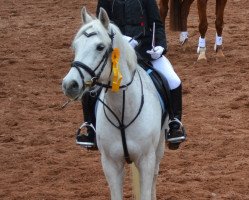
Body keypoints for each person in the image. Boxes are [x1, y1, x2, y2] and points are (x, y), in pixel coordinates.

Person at [76, 0, 186, 150]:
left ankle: (174, 124)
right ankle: (90, 127)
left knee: (174, 80)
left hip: (145, 51)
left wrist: (160, 46)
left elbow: (156, 24)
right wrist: (121, 41)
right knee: (91, 84)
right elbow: (100, 29)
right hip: (115, 53)